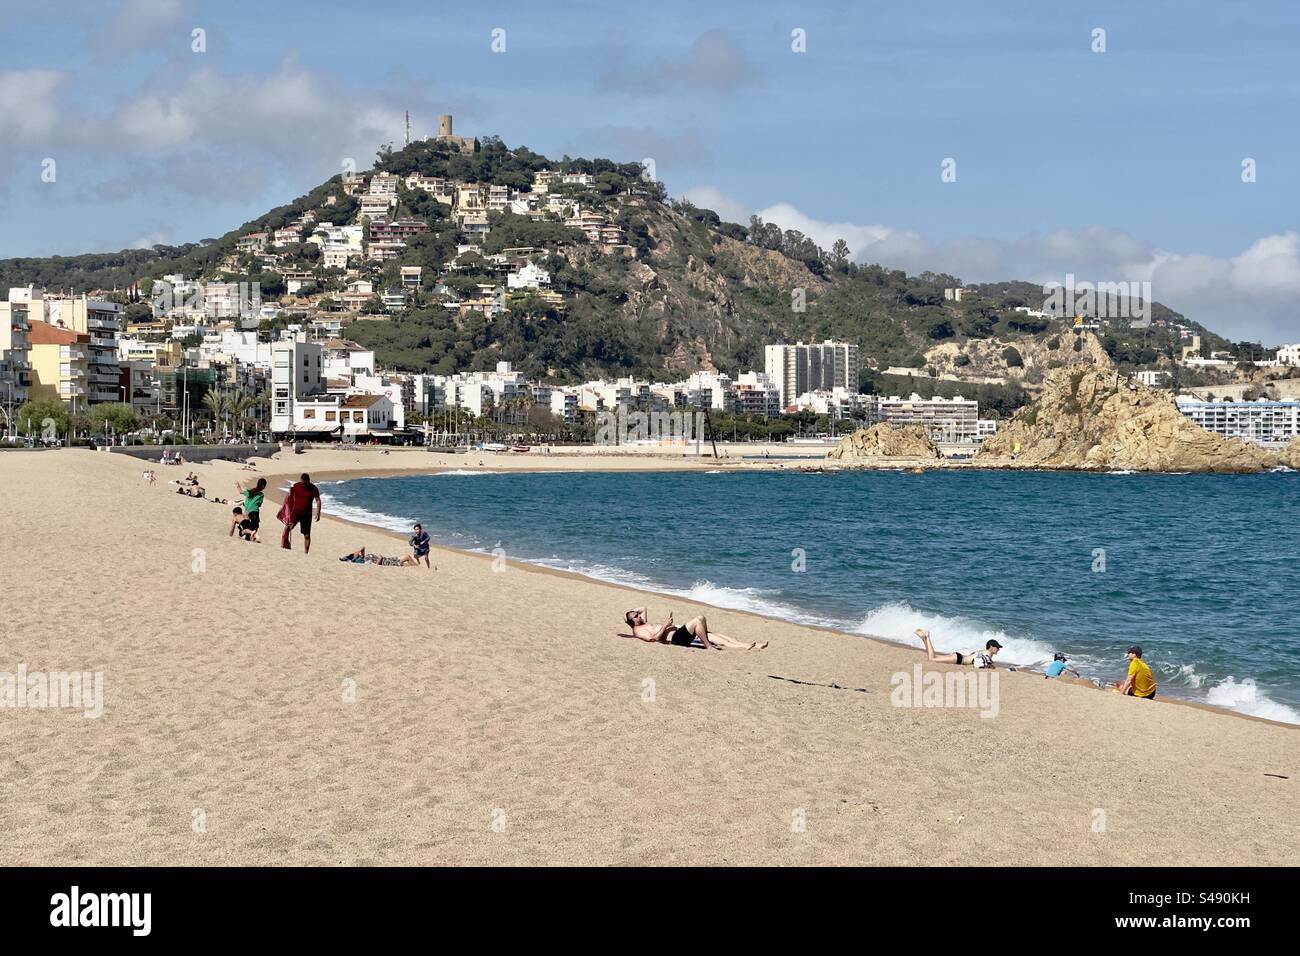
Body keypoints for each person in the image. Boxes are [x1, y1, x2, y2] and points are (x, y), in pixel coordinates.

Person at [620, 607, 767, 650]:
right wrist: (665, 626)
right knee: (699, 619)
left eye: (637, 615)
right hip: (677, 638)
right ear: (632, 622)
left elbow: (644, 607)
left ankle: (753, 646)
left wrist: (629, 616)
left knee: (725, 638)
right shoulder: (638, 630)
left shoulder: (643, 622)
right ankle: (708, 646)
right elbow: (653, 639)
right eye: (636, 616)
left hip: (679, 632)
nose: (639, 615)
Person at [914, 628, 1002, 667]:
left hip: (958, 657)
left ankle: (925, 639)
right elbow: (983, 662)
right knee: (932, 659)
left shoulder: (982, 651)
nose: (998, 649)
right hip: (959, 659)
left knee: (933, 657)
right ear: (991, 647)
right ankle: (927, 636)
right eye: (997, 647)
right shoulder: (987, 653)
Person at [281, 472, 321, 552]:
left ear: (308, 481)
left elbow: (318, 500)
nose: (303, 485)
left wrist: (318, 513)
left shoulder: (313, 488)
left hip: (307, 514)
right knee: (288, 528)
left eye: (305, 484)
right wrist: (288, 509)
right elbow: (290, 497)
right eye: (302, 483)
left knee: (307, 535)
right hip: (295, 512)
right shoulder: (296, 486)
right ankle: (284, 546)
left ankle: (306, 553)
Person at [338, 546, 418, 567]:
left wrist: (357, 553)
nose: (358, 553)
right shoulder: (360, 561)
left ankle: (415, 566)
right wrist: (380, 558)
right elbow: (376, 565)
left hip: (387, 559)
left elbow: (362, 547)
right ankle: (416, 567)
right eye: (355, 554)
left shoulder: (361, 557)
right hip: (386, 562)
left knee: (407, 557)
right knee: (407, 557)